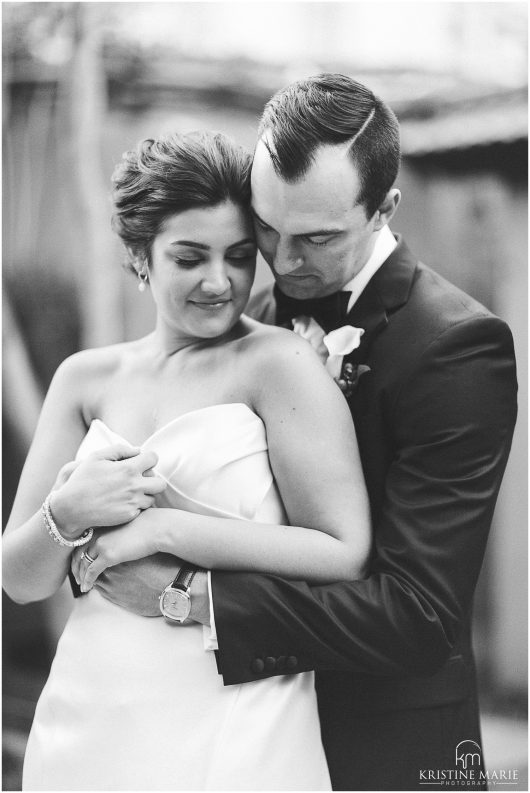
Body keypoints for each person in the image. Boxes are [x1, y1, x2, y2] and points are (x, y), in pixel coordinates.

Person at [91, 75, 518, 791]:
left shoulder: (457, 347)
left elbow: (418, 616)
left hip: (387, 752)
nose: (283, 262)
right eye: (267, 228)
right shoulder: (249, 315)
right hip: (239, 738)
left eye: (317, 238)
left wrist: (189, 596)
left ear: (383, 209)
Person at [3, 130, 372, 791]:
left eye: (239, 257)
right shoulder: (84, 379)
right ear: (138, 254)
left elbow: (343, 550)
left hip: (233, 719)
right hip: (88, 721)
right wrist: (67, 511)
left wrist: (163, 530)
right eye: (190, 257)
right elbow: (20, 580)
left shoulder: (279, 365)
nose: (219, 281)